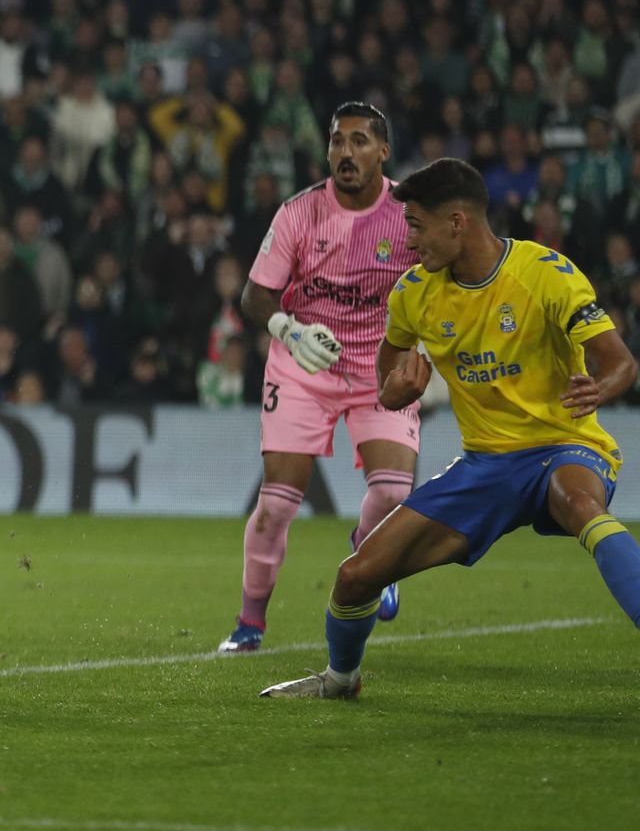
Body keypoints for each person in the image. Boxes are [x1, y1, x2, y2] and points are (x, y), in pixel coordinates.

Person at [262, 158, 640, 699]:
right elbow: (387, 374)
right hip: (486, 466)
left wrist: (599, 389)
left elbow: (621, 362)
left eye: (416, 225)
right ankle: (340, 680)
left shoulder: (545, 273)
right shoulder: (413, 293)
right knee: (355, 576)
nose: (409, 240)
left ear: (457, 222)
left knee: (581, 504)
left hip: (567, 446)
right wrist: (395, 392)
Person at [219, 103, 421, 654]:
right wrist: (288, 329)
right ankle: (250, 622)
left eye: (359, 141)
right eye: (337, 141)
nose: (345, 153)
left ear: (383, 151)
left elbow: (443, 281)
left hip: (381, 365)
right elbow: (254, 295)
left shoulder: (409, 215)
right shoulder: (298, 212)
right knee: (278, 505)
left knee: (393, 491)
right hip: (304, 365)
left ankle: (370, 551)